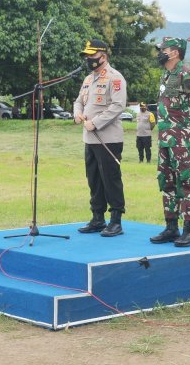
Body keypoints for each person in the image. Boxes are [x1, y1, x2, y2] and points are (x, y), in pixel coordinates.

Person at [150, 37, 190, 247]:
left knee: (186, 183)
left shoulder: (186, 75)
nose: (160, 53)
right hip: (165, 140)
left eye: (163, 49)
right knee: (167, 182)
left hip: (182, 140)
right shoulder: (166, 75)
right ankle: (171, 227)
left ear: (174, 52)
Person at [73, 39, 127, 237]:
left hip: (108, 139)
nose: (88, 59)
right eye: (86, 55)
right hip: (89, 139)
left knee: (110, 179)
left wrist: (95, 122)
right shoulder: (88, 79)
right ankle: (97, 217)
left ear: (103, 56)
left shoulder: (115, 78)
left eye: (92, 55)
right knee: (94, 179)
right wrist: (78, 114)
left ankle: (115, 220)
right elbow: (79, 101)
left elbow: (117, 106)